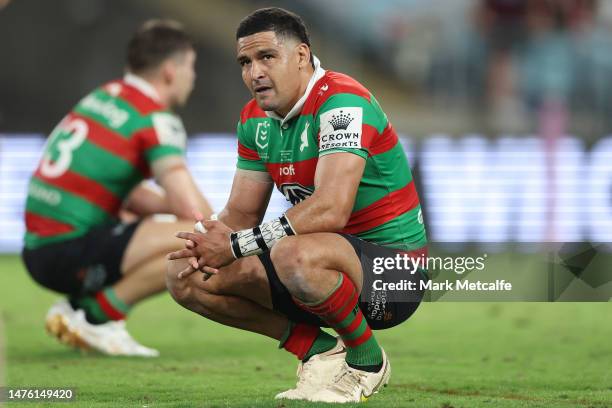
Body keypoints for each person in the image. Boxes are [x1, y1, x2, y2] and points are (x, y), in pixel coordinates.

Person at [166, 7, 428, 403]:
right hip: (315, 270)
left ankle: (367, 361)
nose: (254, 72)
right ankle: (318, 352)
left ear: (302, 56)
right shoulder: (254, 118)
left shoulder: (343, 104)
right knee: (184, 276)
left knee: (292, 252)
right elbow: (240, 215)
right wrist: (206, 243)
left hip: (393, 278)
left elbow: (331, 209)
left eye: (266, 57)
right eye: (245, 62)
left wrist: (236, 246)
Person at [22, 19, 213, 357]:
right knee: (204, 238)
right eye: (191, 67)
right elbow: (193, 213)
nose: (194, 78)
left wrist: (160, 213)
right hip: (67, 250)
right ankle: (97, 317)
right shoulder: (155, 119)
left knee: (141, 219)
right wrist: (217, 225)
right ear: (170, 71)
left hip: (39, 247)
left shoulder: (103, 97)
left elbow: (122, 190)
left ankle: (78, 307)